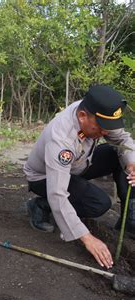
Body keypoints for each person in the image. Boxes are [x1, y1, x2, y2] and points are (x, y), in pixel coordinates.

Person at [24, 85, 135, 270]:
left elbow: (123, 139)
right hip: (44, 177)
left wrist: (131, 162)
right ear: (82, 116)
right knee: (99, 203)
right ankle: (40, 204)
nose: (106, 133)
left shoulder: (95, 112)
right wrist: (87, 237)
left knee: (122, 155)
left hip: (80, 163)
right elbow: (57, 193)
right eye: (101, 128)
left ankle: (131, 218)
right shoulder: (61, 139)